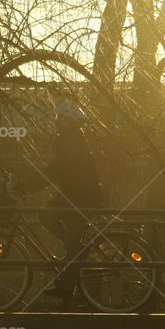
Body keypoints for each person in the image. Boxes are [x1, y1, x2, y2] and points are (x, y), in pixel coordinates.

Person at [15, 103, 104, 298]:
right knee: (46, 215)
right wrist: (30, 185)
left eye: (59, 119)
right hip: (74, 196)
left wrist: (27, 185)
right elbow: (57, 170)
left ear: (66, 121)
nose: (56, 123)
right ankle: (75, 252)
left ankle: (66, 284)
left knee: (71, 241)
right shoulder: (71, 140)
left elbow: (54, 170)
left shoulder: (72, 142)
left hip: (80, 199)